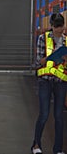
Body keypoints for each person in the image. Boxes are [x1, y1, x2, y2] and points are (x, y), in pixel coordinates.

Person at [32, 13, 67, 154]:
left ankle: (58, 149)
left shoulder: (66, 41)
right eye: (57, 26)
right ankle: (36, 145)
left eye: (62, 26)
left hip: (60, 82)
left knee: (59, 116)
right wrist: (51, 56)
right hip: (45, 81)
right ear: (51, 26)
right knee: (44, 114)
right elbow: (37, 62)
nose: (60, 29)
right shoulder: (42, 39)